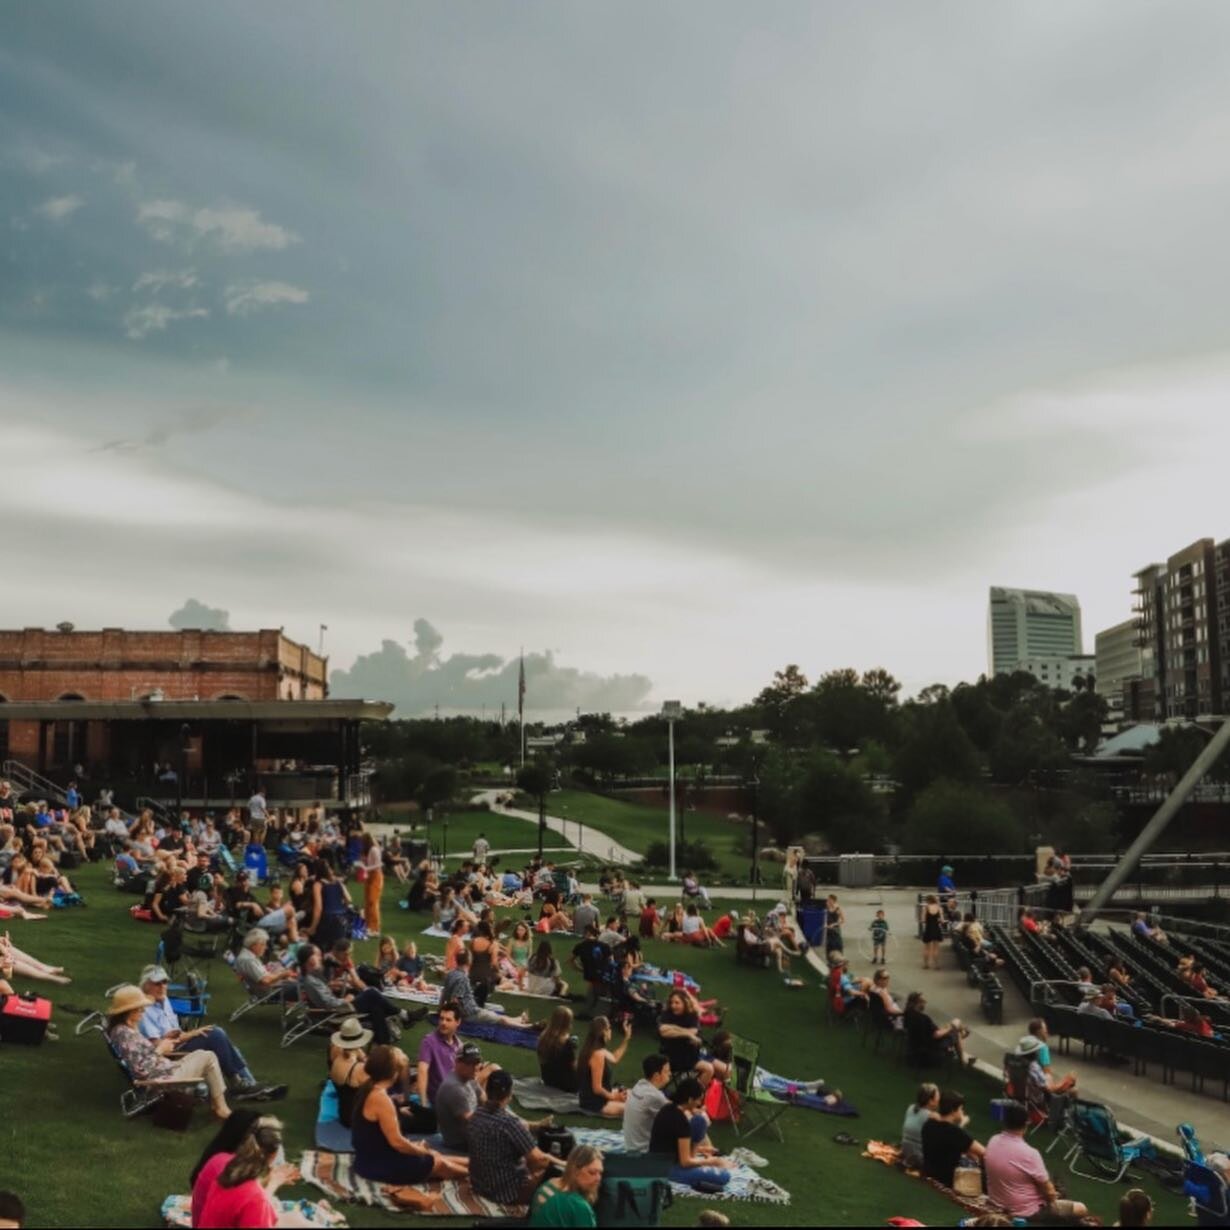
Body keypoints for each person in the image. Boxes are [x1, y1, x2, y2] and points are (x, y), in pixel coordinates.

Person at [137, 965, 286, 1102]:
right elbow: (158, 1045)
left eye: (165, 982)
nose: (162, 986)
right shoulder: (144, 1010)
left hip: (179, 1043)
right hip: (171, 1054)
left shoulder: (164, 1000)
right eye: (157, 983)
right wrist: (188, 1035)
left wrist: (189, 1034)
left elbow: (176, 1032)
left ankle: (250, 1085)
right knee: (216, 1035)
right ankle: (241, 1085)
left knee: (223, 1042)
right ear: (146, 985)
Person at [104, 984, 233, 1120]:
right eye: (140, 1008)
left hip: (165, 1070)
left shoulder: (125, 1030)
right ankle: (219, 1107)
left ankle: (215, 1102)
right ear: (130, 1011)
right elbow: (141, 1070)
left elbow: (143, 1056)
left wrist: (165, 1042)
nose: (143, 1010)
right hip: (162, 1080)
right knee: (208, 1057)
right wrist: (161, 1050)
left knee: (202, 1054)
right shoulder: (124, 1035)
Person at [352, 1045, 469, 1183]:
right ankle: (480, 1176)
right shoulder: (380, 1098)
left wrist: (420, 1150)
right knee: (438, 1162)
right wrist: (423, 1151)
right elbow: (397, 1143)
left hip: (370, 1158)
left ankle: (482, 1167)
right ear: (394, 1072)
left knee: (438, 1156)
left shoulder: (371, 1087)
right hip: (378, 1165)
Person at [984, 1100, 1088, 1223]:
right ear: (1026, 1123)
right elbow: (1049, 1194)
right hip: (1026, 1211)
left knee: (1049, 1184)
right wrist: (1054, 1196)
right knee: (1081, 1208)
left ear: (1004, 1122)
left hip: (997, 1202)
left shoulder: (993, 1140)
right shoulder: (1030, 1154)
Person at [467, 1068, 558, 1205]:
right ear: (509, 1094)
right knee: (551, 1170)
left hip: (479, 1185)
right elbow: (539, 1159)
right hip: (507, 1193)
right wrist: (565, 1164)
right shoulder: (509, 1124)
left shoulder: (476, 1115)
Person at [195, 1115, 300, 1229]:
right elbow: (254, 1202)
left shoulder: (227, 1171)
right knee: (293, 1219)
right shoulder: (255, 1198)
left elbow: (245, 1198)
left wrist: (272, 1182)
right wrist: (272, 1184)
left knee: (291, 1218)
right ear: (273, 1156)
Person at [297, 944, 407, 1045]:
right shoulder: (310, 980)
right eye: (316, 955)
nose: (320, 957)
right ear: (309, 959)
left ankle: (384, 1042)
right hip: (335, 1012)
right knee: (371, 993)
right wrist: (346, 1000)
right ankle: (402, 1015)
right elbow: (329, 1003)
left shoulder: (313, 976)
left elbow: (326, 994)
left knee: (375, 1007)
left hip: (337, 1008)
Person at [648, 1077, 731, 1189]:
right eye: (698, 1100)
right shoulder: (681, 1121)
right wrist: (712, 1162)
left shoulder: (666, 1109)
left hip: (658, 1160)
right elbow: (685, 1162)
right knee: (724, 1176)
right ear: (690, 1099)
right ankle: (695, 1169)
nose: (699, 1103)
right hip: (669, 1169)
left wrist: (701, 1151)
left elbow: (670, 1142)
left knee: (699, 1120)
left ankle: (694, 1159)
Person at [436, 1043, 499, 1150]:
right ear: (457, 1062)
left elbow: (485, 1101)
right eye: (469, 1063)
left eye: (477, 1063)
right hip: (460, 1143)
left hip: (470, 1135)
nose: (475, 1067)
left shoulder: (469, 1078)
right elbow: (471, 1123)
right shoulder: (454, 1088)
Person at [658, 989, 726, 1086]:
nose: (673, 1005)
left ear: (684, 1003)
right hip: (676, 1056)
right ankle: (694, 1095)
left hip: (694, 1053)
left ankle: (712, 1093)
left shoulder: (691, 1015)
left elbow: (693, 1031)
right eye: (672, 1002)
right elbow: (663, 1031)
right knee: (709, 1069)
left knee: (725, 1070)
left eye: (677, 1003)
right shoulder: (667, 1014)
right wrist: (687, 1034)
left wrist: (673, 1028)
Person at [528, 1143, 602, 1228]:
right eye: (592, 1173)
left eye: (600, 1173)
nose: (598, 1178)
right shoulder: (578, 1206)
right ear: (575, 1171)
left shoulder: (548, 1185)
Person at [921, 1089, 984, 1188]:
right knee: (978, 1161)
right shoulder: (955, 1132)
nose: (962, 1112)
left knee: (970, 1154)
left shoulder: (928, 1124)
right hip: (947, 1179)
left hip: (929, 1170)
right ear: (953, 1111)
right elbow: (984, 1152)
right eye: (961, 1109)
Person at [577, 1015, 630, 1117]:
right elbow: (597, 1088)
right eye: (609, 1028)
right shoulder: (597, 1054)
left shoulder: (596, 1049)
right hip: (595, 1103)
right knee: (636, 1108)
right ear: (603, 1031)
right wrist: (613, 1097)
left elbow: (615, 1058)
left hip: (598, 1097)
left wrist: (626, 1038)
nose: (611, 1031)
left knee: (633, 1095)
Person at [903, 991, 972, 1067]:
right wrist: (951, 1027)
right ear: (917, 1003)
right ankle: (962, 1062)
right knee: (956, 1028)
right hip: (931, 1048)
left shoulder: (908, 1014)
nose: (926, 1002)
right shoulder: (923, 1019)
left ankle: (961, 1033)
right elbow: (936, 1035)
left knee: (951, 1027)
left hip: (915, 1047)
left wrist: (948, 1028)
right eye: (923, 1001)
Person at [329, 1016, 373, 1127]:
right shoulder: (359, 1069)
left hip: (344, 1113)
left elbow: (358, 1055)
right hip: (357, 1118)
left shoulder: (336, 1053)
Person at [417, 1002, 463, 1107]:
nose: (443, 1023)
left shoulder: (459, 1045)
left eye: (448, 1020)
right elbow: (422, 1070)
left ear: (458, 1022)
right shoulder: (429, 1041)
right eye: (441, 1018)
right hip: (440, 1098)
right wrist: (423, 1102)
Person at [624, 1053, 672, 1153]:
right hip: (644, 1150)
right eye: (667, 1071)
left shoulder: (639, 1085)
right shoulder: (655, 1096)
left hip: (630, 1145)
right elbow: (677, 1113)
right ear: (656, 1075)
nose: (670, 1074)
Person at [234, 929, 299, 1001]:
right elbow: (266, 981)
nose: (265, 947)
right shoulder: (248, 960)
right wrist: (282, 975)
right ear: (254, 945)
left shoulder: (246, 955)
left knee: (294, 979)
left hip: (268, 988)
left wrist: (280, 974)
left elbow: (264, 977)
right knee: (302, 987)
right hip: (270, 992)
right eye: (263, 944)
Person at [537, 1006, 579, 1093]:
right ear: (568, 1023)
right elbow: (574, 1067)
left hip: (548, 1079)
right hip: (567, 1085)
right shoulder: (568, 1043)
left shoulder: (543, 1037)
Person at [901, 1083, 939, 1169]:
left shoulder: (911, 1108)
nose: (939, 1099)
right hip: (919, 1156)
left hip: (905, 1149)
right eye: (937, 1097)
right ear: (930, 1101)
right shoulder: (932, 1116)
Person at [360, 833, 384, 937]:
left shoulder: (374, 850)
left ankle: (375, 928)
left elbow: (379, 864)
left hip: (375, 876)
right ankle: (368, 926)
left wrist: (366, 868)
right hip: (370, 876)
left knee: (373, 902)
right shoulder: (369, 850)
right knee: (368, 902)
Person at [920, 894, 944, 970]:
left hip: (928, 929)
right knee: (936, 948)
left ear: (928, 900)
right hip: (936, 929)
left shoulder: (926, 908)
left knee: (926, 948)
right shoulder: (939, 908)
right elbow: (942, 920)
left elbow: (923, 920)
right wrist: (938, 920)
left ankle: (926, 964)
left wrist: (926, 919)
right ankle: (936, 965)